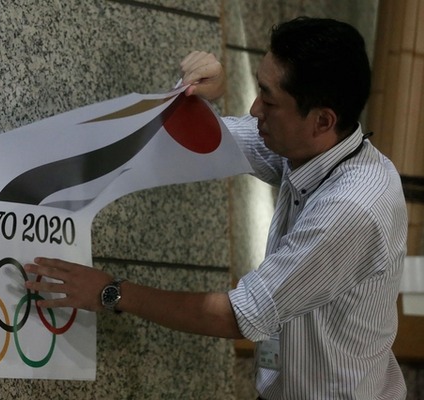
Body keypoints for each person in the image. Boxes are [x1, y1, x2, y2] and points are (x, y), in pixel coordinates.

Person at [25, 17, 408, 399]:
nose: (255, 109)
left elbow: (239, 315)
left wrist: (110, 292)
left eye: (269, 99)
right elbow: (212, 143)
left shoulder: (353, 207)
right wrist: (196, 95)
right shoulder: (309, 148)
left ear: (323, 120)